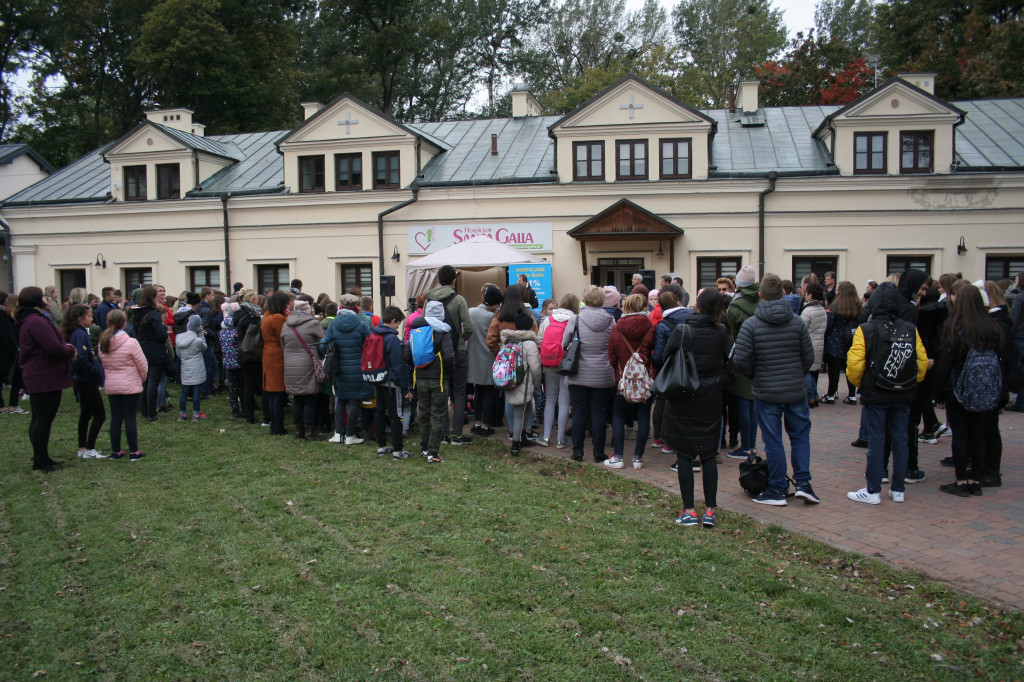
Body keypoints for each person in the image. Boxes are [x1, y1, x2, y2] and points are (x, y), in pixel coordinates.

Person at [731, 273, 819, 506]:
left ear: (761, 295)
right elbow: (808, 357)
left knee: (773, 441)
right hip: (793, 389)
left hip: (767, 391)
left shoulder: (752, 325)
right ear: (782, 293)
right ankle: (803, 483)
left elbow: (741, 360)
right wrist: (795, 375)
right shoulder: (797, 321)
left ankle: (778, 488)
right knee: (800, 437)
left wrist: (756, 376)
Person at [845, 282, 929, 504]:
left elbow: (854, 365)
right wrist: (909, 382)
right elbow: (920, 362)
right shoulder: (910, 329)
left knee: (877, 440)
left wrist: (861, 384)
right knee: (901, 439)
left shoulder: (867, 329)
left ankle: (873, 490)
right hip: (903, 392)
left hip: (876, 392)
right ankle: (898, 489)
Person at [663, 290, 733, 527]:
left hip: (684, 395)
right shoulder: (722, 332)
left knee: (684, 454)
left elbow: (666, 356)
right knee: (709, 454)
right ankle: (710, 510)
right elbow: (730, 361)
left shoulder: (683, 330)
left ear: (698, 306)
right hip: (711, 397)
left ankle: (689, 510)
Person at [934, 282, 1007, 495]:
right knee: (978, 434)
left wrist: (938, 392)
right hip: (984, 389)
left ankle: (961, 480)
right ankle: (975, 480)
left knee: (961, 435)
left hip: (957, 387)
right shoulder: (991, 326)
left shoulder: (954, 325)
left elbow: (945, 361)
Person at [15, 286, 76, 471]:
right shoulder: (36, 322)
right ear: (37, 300)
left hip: (40, 374)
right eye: (43, 296)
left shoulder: (31, 320)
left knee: (40, 418)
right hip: (44, 375)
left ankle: (42, 456)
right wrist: (70, 349)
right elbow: (53, 348)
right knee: (43, 418)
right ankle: (40, 460)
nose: (47, 299)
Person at [562, 285, 615, 463]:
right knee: (599, 413)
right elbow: (613, 346)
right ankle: (598, 452)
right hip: (603, 372)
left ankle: (578, 451)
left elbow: (564, 344)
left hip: (579, 372)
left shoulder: (576, 319)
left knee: (579, 412)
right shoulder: (610, 320)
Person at [426, 265, 475, 445]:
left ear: (438, 280)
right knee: (460, 393)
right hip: (458, 350)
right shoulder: (459, 299)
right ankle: (457, 435)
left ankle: (444, 435)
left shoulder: (429, 297)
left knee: (442, 392)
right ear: (454, 280)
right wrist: (462, 339)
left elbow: (426, 323)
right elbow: (469, 327)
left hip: (437, 352)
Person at [606, 294, 654, 469]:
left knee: (618, 416)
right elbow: (655, 353)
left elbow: (611, 355)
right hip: (645, 380)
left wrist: (619, 371)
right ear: (643, 307)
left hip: (622, 379)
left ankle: (618, 456)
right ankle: (637, 458)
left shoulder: (617, 328)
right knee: (643, 418)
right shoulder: (651, 327)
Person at [404, 300, 455, 463]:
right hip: (439, 379)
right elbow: (448, 356)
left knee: (424, 412)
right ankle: (433, 452)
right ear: (441, 315)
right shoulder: (442, 331)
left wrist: (419, 365)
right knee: (438, 414)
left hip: (419, 378)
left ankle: (424, 448)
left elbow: (406, 355)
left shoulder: (415, 329)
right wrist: (449, 371)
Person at [97, 310, 148, 460]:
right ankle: (134, 451)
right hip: (129, 383)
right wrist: (142, 378)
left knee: (116, 418)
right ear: (124, 323)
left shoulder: (103, 343)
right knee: (130, 418)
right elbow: (142, 364)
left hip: (113, 384)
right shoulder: (131, 342)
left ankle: (116, 451)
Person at [323, 293, 371, 444]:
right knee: (354, 400)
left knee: (340, 400)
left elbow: (324, 346)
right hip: (357, 368)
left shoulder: (333, 324)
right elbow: (370, 344)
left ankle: (338, 433)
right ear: (356, 307)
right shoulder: (361, 325)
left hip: (338, 368)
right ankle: (350, 435)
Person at [650, 285, 689, 458]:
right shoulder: (692, 318)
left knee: (663, 404)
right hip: (690, 369)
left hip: (668, 370)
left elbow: (658, 354)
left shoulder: (662, 325)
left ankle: (662, 439)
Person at [725, 266, 759, 460]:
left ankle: (746, 446)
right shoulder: (762, 301)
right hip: (761, 355)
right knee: (753, 403)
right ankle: (751, 445)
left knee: (743, 403)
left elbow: (732, 334)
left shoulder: (736, 306)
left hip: (742, 355)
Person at [64, 303, 106, 458]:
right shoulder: (79, 334)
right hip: (86, 379)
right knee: (100, 415)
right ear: (80, 318)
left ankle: (82, 447)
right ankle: (89, 448)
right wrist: (95, 371)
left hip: (83, 379)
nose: (92, 318)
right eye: (89, 316)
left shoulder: (79, 332)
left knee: (86, 413)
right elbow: (81, 359)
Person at [537, 293, 578, 448]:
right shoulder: (574, 320)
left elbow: (540, 340)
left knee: (550, 399)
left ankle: (546, 437)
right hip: (566, 364)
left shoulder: (548, 319)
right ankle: (561, 439)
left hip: (549, 362)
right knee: (564, 401)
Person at [371, 306, 413, 459]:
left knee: (380, 412)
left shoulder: (375, 334)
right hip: (392, 383)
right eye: (398, 324)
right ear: (394, 321)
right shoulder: (392, 338)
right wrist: (405, 388)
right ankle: (398, 449)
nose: (398, 327)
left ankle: (382, 445)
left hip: (378, 379)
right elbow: (398, 365)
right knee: (396, 415)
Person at [283, 299, 327, 441]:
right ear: (308, 310)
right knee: (310, 399)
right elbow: (324, 341)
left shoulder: (286, 325)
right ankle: (309, 432)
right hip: (308, 363)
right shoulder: (313, 323)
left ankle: (299, 431)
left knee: (297, 399)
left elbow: (282, 344)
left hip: (290, 363)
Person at [501, 315, 542, 457]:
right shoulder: (530, 344)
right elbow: (535, 368)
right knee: (519, 413)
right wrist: (536, 383)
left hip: (511, 381)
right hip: (524, 383)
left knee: (528, 407)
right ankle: (516, 444)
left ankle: (523, 435)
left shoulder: (508, 341)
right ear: (530, 327)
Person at [132, 286, 171, 422]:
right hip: (154, 350)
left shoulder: (137, 313)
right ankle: (151, 413)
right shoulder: (153, 314)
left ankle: (144, 410)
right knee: (153, 382)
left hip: (142, 348)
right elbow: (160, 335)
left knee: (146, 381)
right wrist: (164, 329)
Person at [467, 285, 503, 436]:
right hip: (489, 358)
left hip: (473, 358)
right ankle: (485, 425)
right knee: (488, 392)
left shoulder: (471, 312)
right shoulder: (493, 318)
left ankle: (476, 423)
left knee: (478, 391)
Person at [821, 281, 862, 404]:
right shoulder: (857, 306)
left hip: (835, 341)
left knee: (834, 370)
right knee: (849, 368)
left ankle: (831, 395)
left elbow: (830, 323)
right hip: (851, 340)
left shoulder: (837, 306)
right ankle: (852, 395)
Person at [261, 292, 290, 435]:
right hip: (277, 354)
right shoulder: (278, 318)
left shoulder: (267, 315)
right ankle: (278, 425)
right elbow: (283, 337)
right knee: (278, 391)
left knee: (271, 391)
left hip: (268, 353)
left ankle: (274, 422)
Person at [233, 289, 264, 424]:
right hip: (253, 352)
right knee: (256, 384)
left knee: (247, 385)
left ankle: (248, 414)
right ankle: (263, 413)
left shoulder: (239, 313)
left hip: (243, 351)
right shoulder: (251, 315)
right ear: (252, 300)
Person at [176, 315, 208, 421]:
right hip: (197, 366)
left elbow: (178, 354)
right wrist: (201, 334)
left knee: (184, 391)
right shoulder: (198, 340)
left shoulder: (179, 338)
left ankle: (182, 413)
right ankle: (196, 413)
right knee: (196, 390)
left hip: (185, 366)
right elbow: (204, 347)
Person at [801, 281, 827, 408]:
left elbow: (801, 328)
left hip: (809, 344)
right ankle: (815, 394)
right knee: (813, 371)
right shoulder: (822, 309)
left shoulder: (808, 311)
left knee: (806, 372)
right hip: (819, 344)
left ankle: (810, 396)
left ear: (810, 295)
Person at [0, 291, 20, 414]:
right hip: (5, 351)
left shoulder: (5, 314)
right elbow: (7, 334)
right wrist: (15, 349)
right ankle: (5, 406)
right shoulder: (2, 314)